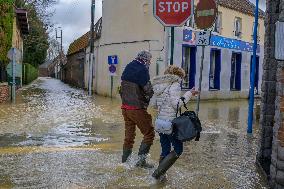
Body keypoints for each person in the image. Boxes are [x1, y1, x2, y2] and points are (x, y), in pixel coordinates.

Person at [150, 65, 199, 180]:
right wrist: (189, 94)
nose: (181, 80)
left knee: (165, 150)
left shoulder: (158, 85)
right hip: (170, 124)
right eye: (181, 77)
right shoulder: (175, 85)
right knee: (178, 149)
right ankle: (157, 174)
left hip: (160, 123)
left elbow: (153, 105)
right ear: (178, 76)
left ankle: (161, 176)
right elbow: (177, 105)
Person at [120, 50, 155, 168]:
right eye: (149, 60)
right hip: (136, 108)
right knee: (149, 133)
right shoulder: (143, 70)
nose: (149, 63)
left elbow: (121, 89)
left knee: (129, 136)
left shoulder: (129, 66)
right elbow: (148, 90)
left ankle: (125, 163)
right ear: (146, 60)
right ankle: (141, 162)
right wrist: (148, 100)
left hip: (125, 108)